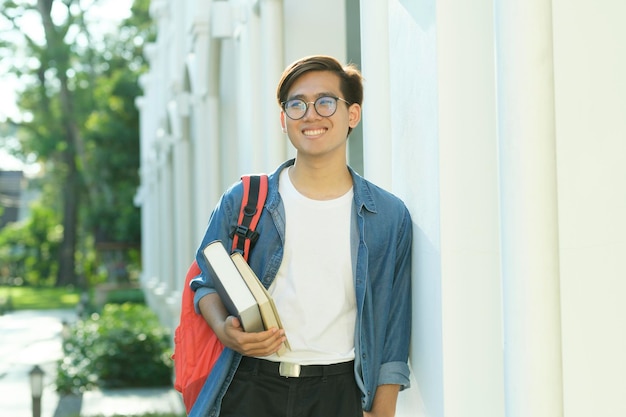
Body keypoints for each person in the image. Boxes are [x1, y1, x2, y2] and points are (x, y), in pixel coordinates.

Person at [190, 55, 412, 417]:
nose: (311, 115)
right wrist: (223, 328)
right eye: (297, 104)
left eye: (326, 102)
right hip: (249, 387)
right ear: (283, 120)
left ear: (352, 115)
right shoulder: (247, 200)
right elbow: (204, 282)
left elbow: (393, 328)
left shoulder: (388, 216)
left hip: (339, 393)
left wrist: (382, 412)